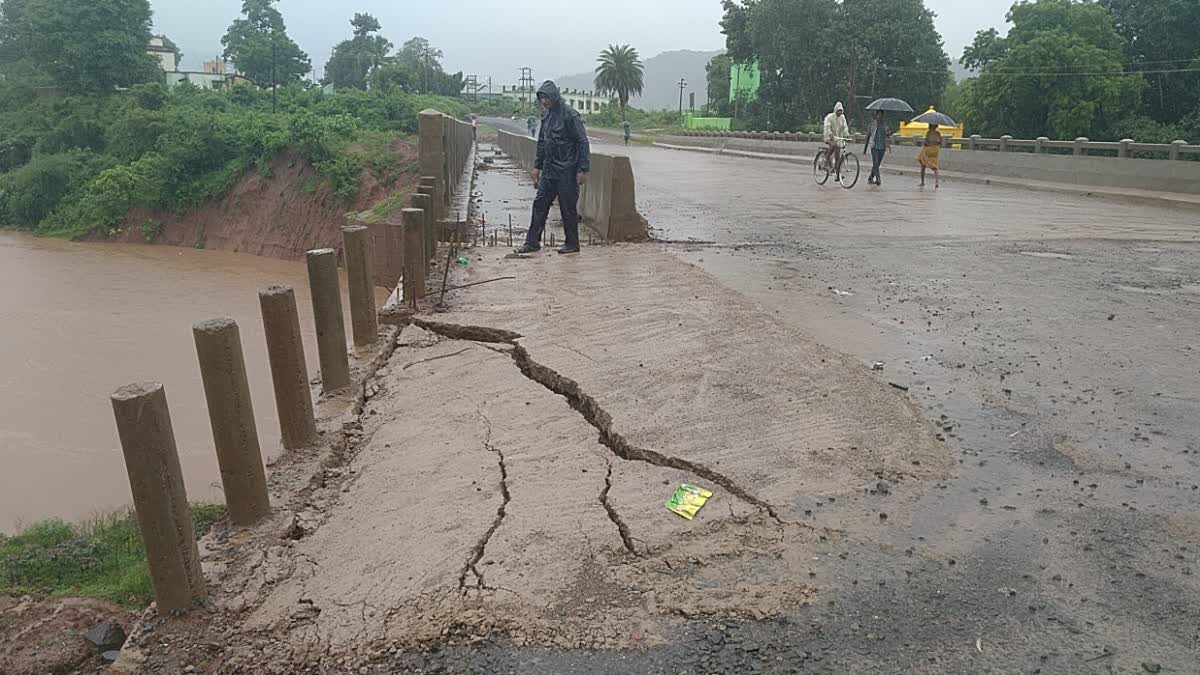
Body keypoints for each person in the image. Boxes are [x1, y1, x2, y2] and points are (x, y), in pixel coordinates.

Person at [515, 81, 590, 255]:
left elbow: (582, 141)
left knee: (568, 208)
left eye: (546, 97)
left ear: (554, 96)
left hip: (567, 170)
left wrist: (583, 168)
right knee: (539, 204)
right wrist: (537, 166)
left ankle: (572, 243)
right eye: (541, 98)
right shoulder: (546, 117)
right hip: (549, 170)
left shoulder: (570, 116)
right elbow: (542, 142)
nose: (544, 101)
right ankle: (532, 242)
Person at [822, 102, 850, 181]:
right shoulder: (830, 117)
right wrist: (830, 134)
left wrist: (847, 134)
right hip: (830, 137)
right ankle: (826, 160)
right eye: (838, 111)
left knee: (837, 157)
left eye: (841, 111)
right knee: (834, 147)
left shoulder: (842, 117)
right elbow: (827, 126)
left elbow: (845, 127)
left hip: (838, 138)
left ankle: (837, 175)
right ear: (835, 110)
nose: (840, 113)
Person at [863, 110, 890, 186]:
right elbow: (868, 136)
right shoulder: (872, 124)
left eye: (881, 115)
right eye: (878, 115)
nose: (879, 117)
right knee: (876, 162)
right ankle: (878, 179)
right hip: (874, 146)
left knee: (877, 164)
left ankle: (870, 177)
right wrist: (865, 149)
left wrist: (888, 133)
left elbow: (887, 135)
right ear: (876, 115)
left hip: (882, 147)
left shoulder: (885, 125)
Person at [918, 122, 941, 188]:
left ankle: (922, 182)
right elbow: (940, 142)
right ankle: (936, 182)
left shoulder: (928, 133)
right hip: (935, 150)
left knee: (923, 165)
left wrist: (926, 143)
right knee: (935, 166)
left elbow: (926, 142)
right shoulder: (938, 133)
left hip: (928, 150)